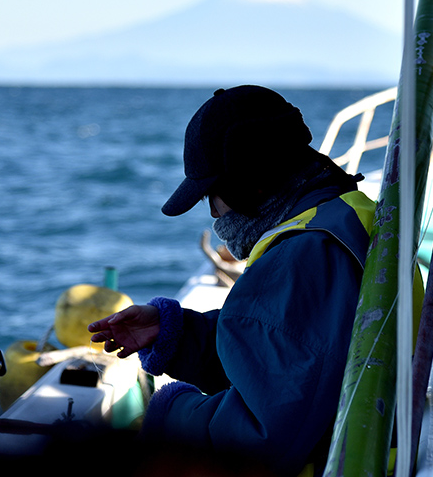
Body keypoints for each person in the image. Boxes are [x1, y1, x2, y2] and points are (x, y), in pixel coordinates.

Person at [88, 85, 375, 475]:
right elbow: (295, 346)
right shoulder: (341, 214)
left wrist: (170, 413)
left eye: (212, 192)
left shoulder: (303, 258)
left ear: (249, 183)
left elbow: (259, 442)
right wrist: (177, 334)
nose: (212, 210)